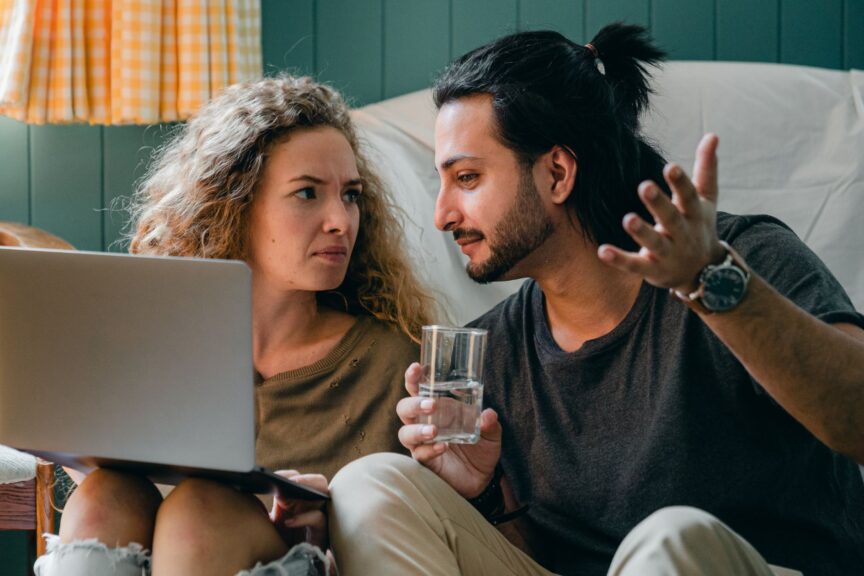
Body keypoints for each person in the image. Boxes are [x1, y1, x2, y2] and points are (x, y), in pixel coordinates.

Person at [327, 23, 864, 576]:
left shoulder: (740, 263)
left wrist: (716, 287)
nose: (443, 214)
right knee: (369, 486)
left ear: (557, 172)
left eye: (467, 177)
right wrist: (489, 495)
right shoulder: (495, 353)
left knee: (669, 540)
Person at [33, 75, 435, 576]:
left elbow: (414, 530)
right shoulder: (158, 345)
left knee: (199, 510)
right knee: (102, 495)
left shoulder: (396, 361)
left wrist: (314, 526)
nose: (341, 220)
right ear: (235, 205)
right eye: (308, 193)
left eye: (351, 195)